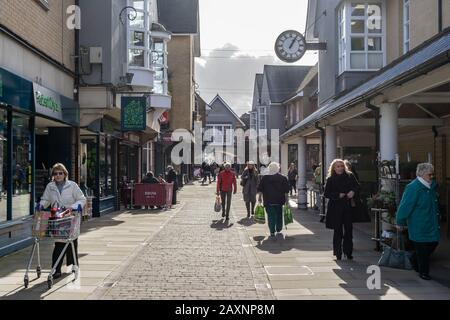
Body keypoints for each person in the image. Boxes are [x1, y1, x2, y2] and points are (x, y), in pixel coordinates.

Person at [40, 163, 86, 279]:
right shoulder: (50, 186)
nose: (58, 175)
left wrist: (74, 207)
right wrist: (40, 206)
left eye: (60, 173)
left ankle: (74, 266)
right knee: (59, 243)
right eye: (56, 173)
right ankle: (56, 269)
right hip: (57, 218)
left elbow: (82, 199)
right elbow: (45, 199)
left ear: (65, 174)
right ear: (53, 175)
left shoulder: (73, 185)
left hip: (71, 217)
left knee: (72, 243)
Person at [396, 163, 440, 281]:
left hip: (431, 223)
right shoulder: (413, 187)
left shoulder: (431, 187)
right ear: (422, 174)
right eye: (430, 174)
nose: (432, 177)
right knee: (422, 250)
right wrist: (400, 221)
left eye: (432, 174)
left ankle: (414, 259)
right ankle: (423, 272)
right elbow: (405, 206)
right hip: (418, 224)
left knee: (433, 243)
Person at [324, 159, 360, 261]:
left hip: (348, 206)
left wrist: (353, 191)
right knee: (337, 230)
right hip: (335, 207)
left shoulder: (350, 176)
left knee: (349, 230)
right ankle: (338, 253)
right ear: (334, 168)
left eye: (341, 166)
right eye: (338, 166)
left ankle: (348, 252)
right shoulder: (330, 179)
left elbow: (357, 186)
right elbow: (326, 193)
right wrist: (337, 195)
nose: (340, 168)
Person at [257, 162, 290, 238]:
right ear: (278, 168)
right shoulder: (283, 178)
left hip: (268, 200)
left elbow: (260, 189)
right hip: (279, 200)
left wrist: (259, 198)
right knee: (279, 215)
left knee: (271, 216)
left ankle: (272, 231)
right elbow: (286, 191)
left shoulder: (265, 178)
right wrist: (287, 200)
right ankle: (278, 228)